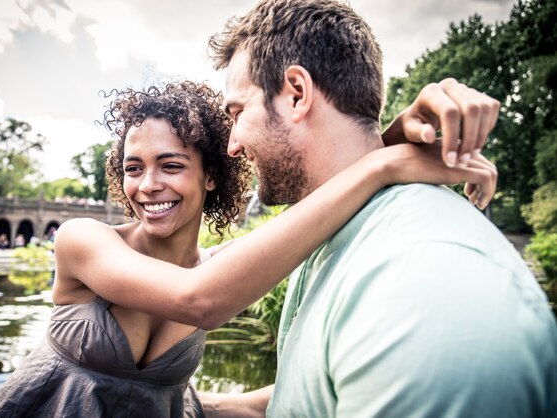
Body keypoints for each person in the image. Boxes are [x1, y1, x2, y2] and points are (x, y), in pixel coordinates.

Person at [0, 75, 499, 417]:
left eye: (172, 164)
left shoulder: (221, 268)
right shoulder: (83, 241)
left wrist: (389, 140)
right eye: (133, 168)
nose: (147, 184)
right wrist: (386, 164)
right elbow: (197, 299)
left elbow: (307, 221)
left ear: (211, 177)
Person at [199, 1, 557, 417]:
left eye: (238, 113)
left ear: (297, 94)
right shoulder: (334, 227)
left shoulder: (424, 287)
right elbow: (309, 396)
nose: (232, 145)